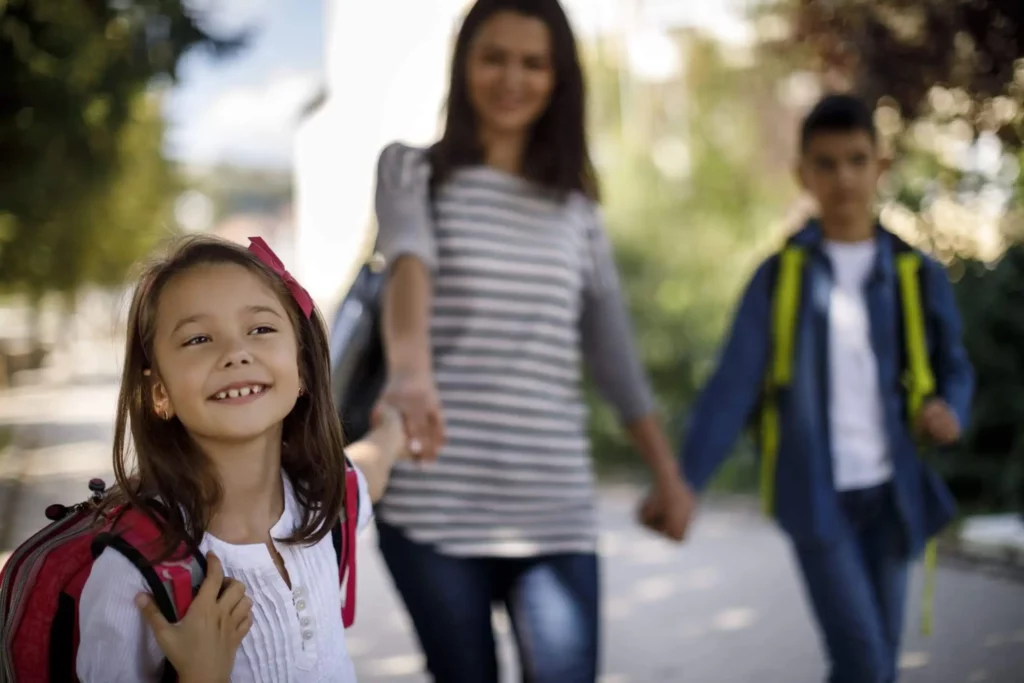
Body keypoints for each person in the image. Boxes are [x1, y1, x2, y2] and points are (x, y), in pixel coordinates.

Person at [370, 0, 694, 681]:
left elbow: (614, 354)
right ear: (463, 66)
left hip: (554, 508)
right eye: (494, 57)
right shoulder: (412, 171)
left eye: (533, 62)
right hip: (433, 500)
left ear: (558, 77)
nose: (512, 78)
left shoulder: (577, 210)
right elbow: (408, 263)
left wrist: (667, 474)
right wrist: (410, 371)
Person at [679, 93, 974, 683]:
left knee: (872, 666)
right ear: (802, 174)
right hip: (816, 500)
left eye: (857, 160)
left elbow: (955, 367)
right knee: (865, 663)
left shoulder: (915, 273)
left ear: (880, 167)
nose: (843, 177)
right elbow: (732, 385)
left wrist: (952, 412)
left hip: (893, 498)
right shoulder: (779, 277)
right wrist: (684, 481)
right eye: (826, 163)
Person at [76, 235, 410, 682]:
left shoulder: (325, 501)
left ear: (303, 370)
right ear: (160, 393)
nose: (235, 353)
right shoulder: (134, 575)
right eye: (198, 338)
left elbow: (368, 466)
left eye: (261, 329)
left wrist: (395, 427)